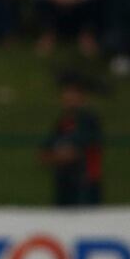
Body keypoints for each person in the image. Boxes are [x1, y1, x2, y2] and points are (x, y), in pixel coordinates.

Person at [40, 71, 104, 206]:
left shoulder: (88, 120)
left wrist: (58, 156)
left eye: (73, 94)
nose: (69, 97)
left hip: (85, 184)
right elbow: (45, 153)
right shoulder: (61, 122)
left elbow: (76, 152)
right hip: (64, 183)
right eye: (66, 93)